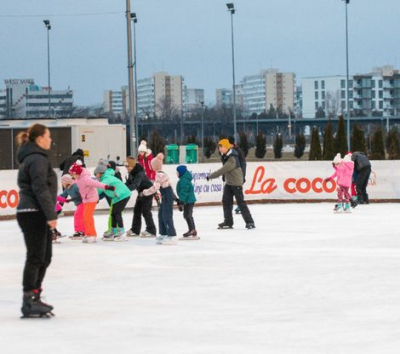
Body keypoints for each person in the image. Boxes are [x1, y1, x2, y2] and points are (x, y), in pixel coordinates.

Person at [16, 124, 57, 318]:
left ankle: (35, 295)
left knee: (45, 257)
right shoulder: (37, 159)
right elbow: (40, 188)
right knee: (36, 256)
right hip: (33, 212)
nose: (50, 140)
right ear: (39, 138)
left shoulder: (35, 158)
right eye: (48, 136)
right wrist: (51, 215)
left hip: (36, 212)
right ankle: (28, 300)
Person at [207, 139, 255, 230]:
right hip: (229, 183)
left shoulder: (232, 158)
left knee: (241, 203)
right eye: (219, 147)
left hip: (236, 183)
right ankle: (228, 222)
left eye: (221, 147)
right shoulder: (225, 155)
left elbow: (223, 169)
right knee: (226, 201)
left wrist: (211, 176)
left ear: (226, 147)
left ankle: (250, 222)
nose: (220, 149)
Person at [69, 162, 115, 243]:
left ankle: (92, 235)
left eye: (72, 174)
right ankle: (88, 233)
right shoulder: (78, 178)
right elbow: (75, 183)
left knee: (87, 216)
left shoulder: (86, 178)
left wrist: (106, 187)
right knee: (85, 216)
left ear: (77, 173)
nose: (72, 176)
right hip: (85, 199)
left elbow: (96, 183)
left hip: (92, 199)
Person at [142, 153, 178, 245]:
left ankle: (172, 235)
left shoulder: (159, 175)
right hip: (165, 196)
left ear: (155, 166)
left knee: (166, 215)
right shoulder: (158, 174)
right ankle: (164, 233)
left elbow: (155, 187)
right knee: (161, 215)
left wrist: (145, 192)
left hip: (167, 196)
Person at [95, 164, 131, 241]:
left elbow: (99, 189)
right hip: (116, 197)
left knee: (117, 212)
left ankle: (121, 231)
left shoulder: (106, 178)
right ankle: (113, 230)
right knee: (113, 213)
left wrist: (91, 194)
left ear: (101, 173)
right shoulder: (104, 178)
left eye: (96, 173)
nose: (96, 175)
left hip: (123, 194)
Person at [124, 157, 157, 238]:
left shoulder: (139, 173)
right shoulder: (131, 172)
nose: (126, 168)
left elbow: (135, 185)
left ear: (132, 166)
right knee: (137, 210)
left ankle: (151, 230)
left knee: (146, 211)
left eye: (128, 166)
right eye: (126, 166)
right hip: (141, 192)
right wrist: (121, 187)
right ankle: (135, 229)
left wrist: (125, 190)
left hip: (148, 191)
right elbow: (128, 183)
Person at [58, 174, 85, 239]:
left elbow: (82, 194)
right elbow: (63, 195)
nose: (62, 183)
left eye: (62, 182)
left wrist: (71, 199)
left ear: (66, 181)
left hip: (83, 203)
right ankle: (82, 231)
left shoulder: (75, 186)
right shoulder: (67, 188)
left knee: (77, 215)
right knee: (80, 216)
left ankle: (80, 231)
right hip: (78, 204)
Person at [176, 165, 199, 240]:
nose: (177, 174)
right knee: (187, 215)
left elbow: (184, 192)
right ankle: (192, 230)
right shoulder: (184, 179)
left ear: (181, 172)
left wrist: (181, 201)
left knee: (187, 215)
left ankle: (192, 230)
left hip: (188, 200)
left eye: (178, 172)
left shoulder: (184, 180)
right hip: (188, 200)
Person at [227, 136, 247, 214]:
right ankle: (229, 206)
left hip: (238, 175)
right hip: (230, 175)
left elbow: (243, 164)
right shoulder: (228, 152)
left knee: (238, 191)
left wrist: (243, 175)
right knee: (229, 192)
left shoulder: (239, 151)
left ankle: (241, 206)